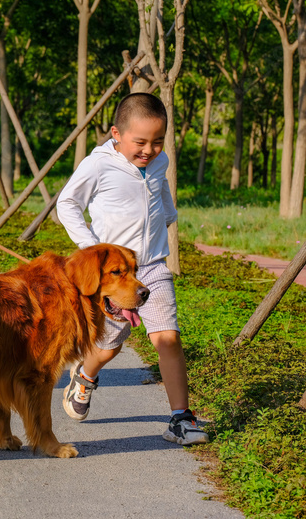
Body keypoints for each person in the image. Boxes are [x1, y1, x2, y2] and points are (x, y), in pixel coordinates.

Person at [56, 92, 208, 446]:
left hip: (152, 265)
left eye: (157, 141)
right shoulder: (98, 164)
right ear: (116, 134)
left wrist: (168, 216)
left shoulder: (160, 161)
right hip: (114, 276)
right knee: (109, 346)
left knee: (167, 338)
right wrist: (92, 250)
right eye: (140, 142)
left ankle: (180, 419)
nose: (148, 150)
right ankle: (85, 377)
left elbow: (162, 195)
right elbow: (67, 203)